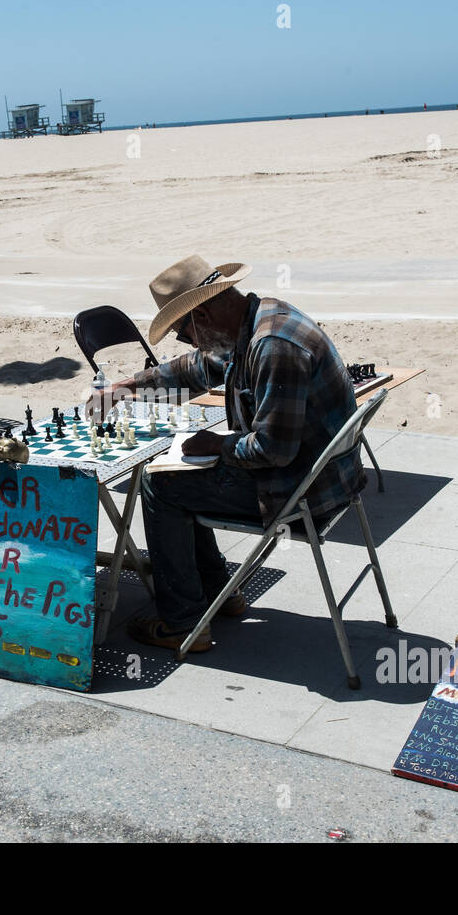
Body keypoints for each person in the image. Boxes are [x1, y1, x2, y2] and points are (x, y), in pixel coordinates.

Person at [90, 256, 361, 653]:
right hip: (318, 472)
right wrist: (127, 385)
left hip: (304, 489)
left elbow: (272, 450)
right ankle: (219, 591)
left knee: (159, 484)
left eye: (184, 332)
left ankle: (183, 622)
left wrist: (216, 445)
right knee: (179, 474)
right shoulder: (255, 320)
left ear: (202, 315)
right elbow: (198, 368)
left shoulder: (272, 345)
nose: (190, 342)